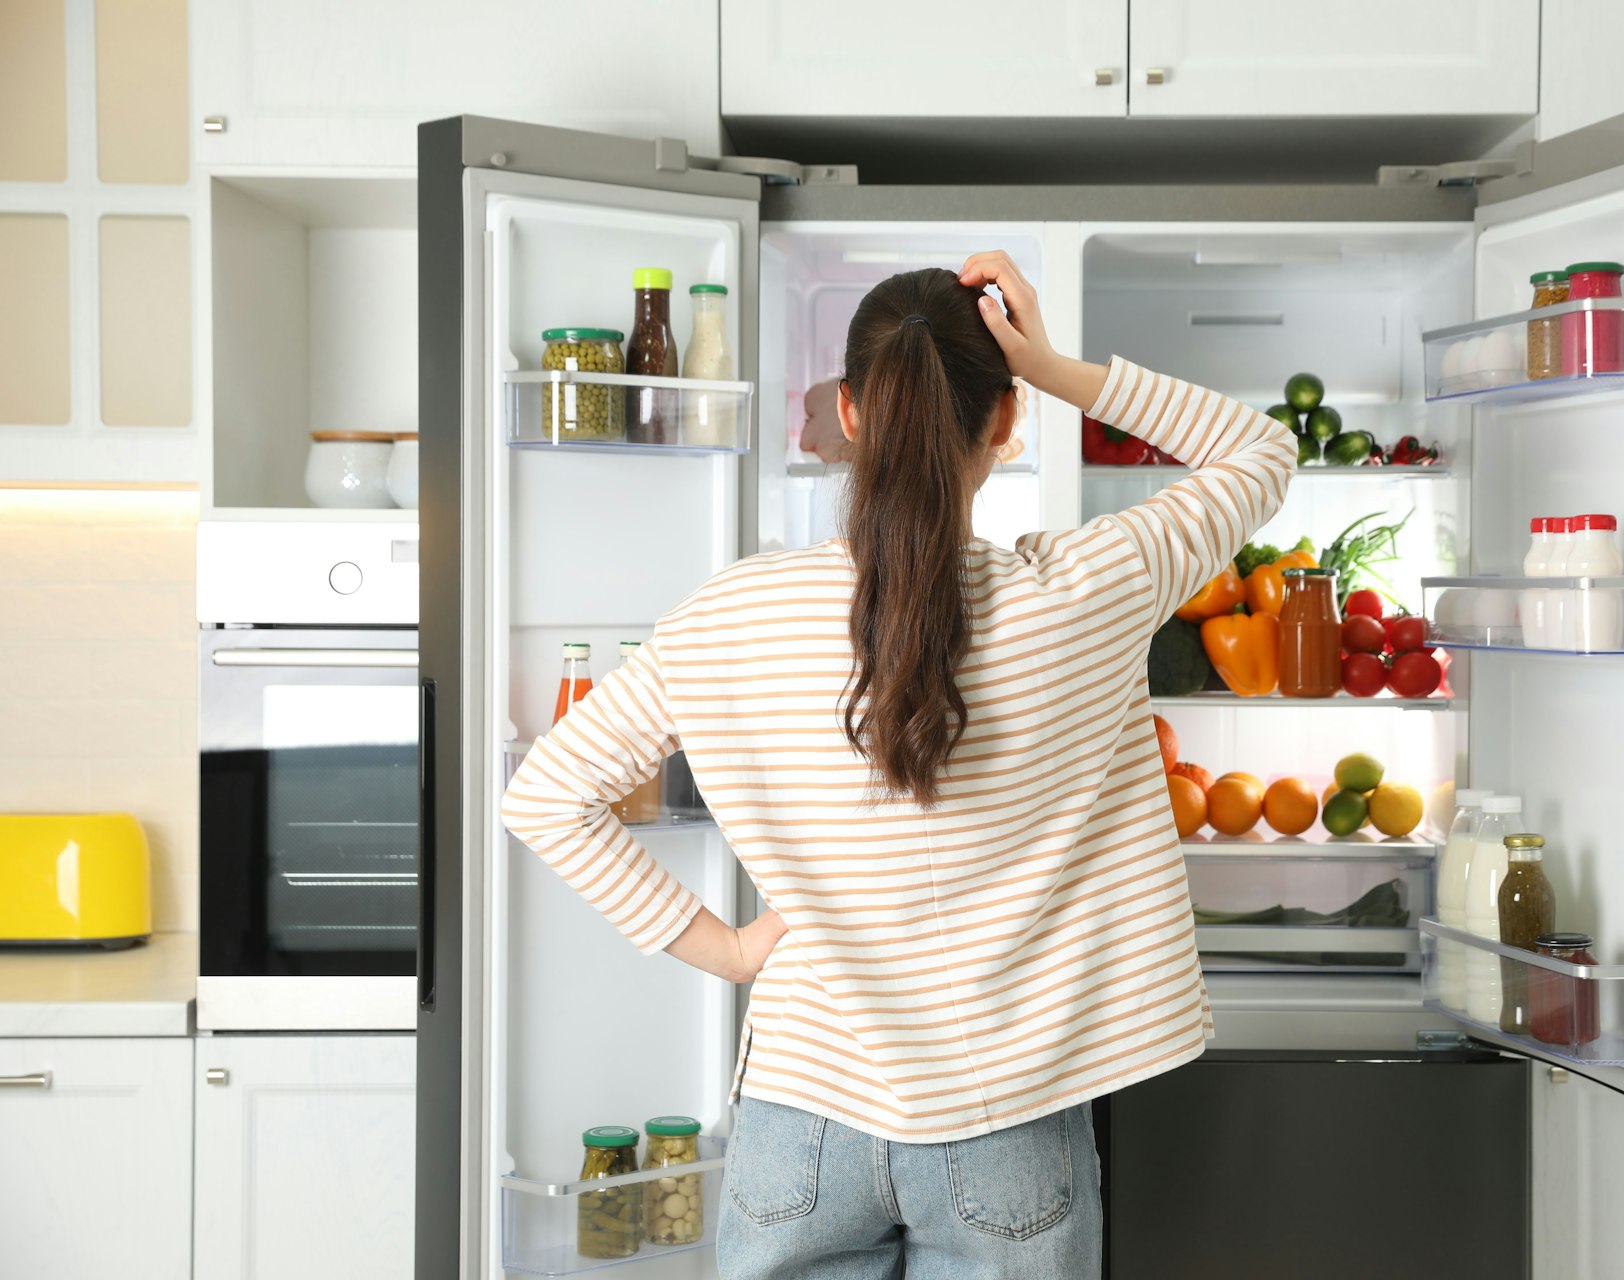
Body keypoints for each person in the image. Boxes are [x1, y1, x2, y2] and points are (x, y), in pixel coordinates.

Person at [501, 251, 1296, 1278]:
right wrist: (1051, 364)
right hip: (1009, 1120)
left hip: (802, 1119)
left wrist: (735, 951)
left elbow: (547, 796)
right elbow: (1260, 451)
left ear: (849, 410)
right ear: (1005, 423)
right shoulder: (1093, 588)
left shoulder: (731, 613)